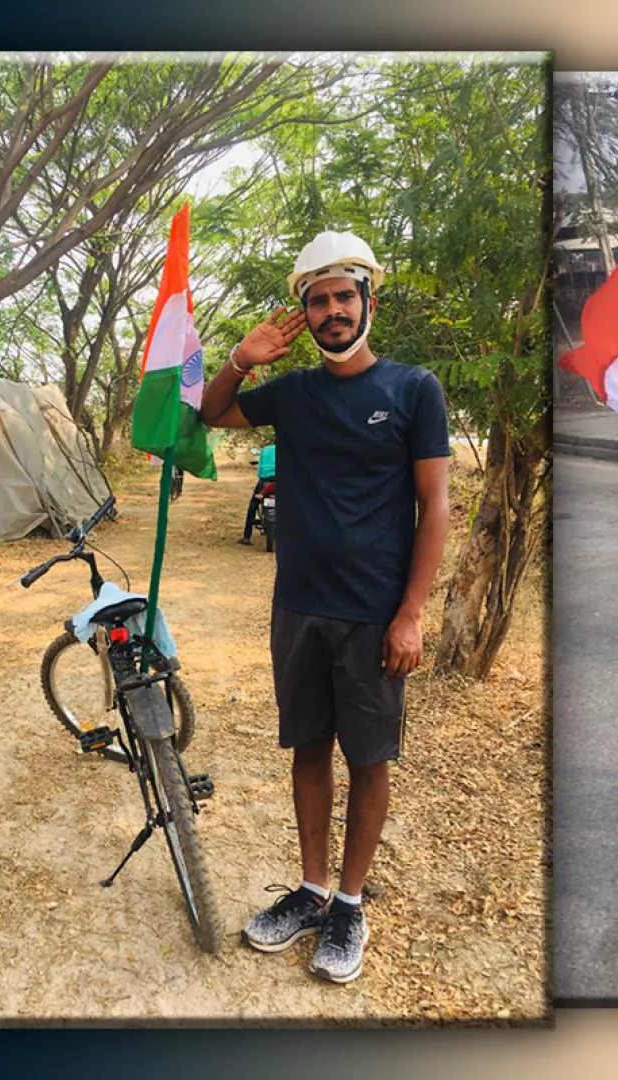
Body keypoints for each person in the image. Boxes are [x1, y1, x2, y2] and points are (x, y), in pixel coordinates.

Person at [199, 229, 452, 983]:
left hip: (375, 613)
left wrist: (410, 614)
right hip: (300, 605)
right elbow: (213, 415)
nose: (333, 311)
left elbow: (435, 505)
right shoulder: (295, 394)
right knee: (309, 749)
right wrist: (242, 360)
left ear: (367, 300)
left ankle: (349, 903)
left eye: (345, 297)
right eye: (319, 301)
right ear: (304, 314)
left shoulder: (413, 390)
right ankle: (310, 892)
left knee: (369, 759)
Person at [238, 442, 277, 544]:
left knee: (253, 505)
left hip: (265, 481)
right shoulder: (288, 450)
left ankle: (247, 537)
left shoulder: (265, 450)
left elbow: (260, 470)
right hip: (282, 480)